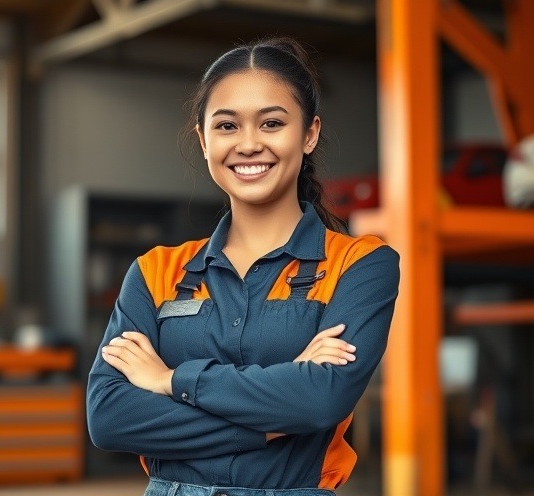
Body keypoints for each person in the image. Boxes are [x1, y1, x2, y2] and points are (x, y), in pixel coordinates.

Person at [86, 36, 400, 496]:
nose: (249, 144)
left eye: (272, 123)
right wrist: (270, 425)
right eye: (227, 126)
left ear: (309, 134)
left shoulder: (361, 266)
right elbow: (109, 417)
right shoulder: (155, 272)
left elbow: (321, 400)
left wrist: (169, 380)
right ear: (204, 140)